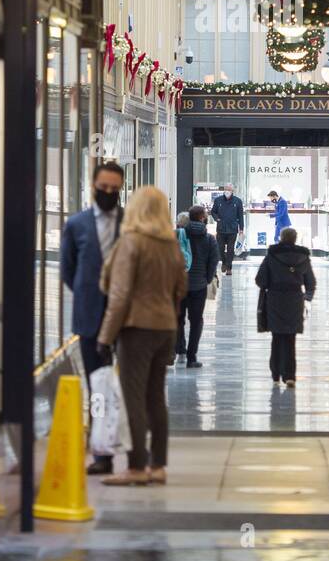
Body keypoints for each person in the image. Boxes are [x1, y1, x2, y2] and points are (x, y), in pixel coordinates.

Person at [96, 186, 187, 486]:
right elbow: (180, 289)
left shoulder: (131, 242)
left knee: (133, 398)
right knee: (155, 398)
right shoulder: (170, 245)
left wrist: (105, 337)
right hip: (165, 328)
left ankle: (136, 466)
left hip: (136, 329)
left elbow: (120, 295)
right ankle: (158, 465)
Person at [60, 159, 124, 474]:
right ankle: (101, 453)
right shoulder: (77, 225)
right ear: (93, 187)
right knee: (96, 384)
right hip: (89, 317)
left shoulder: (130, 223)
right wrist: (91, 294)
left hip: (127, 318)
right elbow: (68, 271)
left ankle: (126, 445)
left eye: (114, 189)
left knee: (125, 385)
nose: (108, 193)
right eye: (103, 188)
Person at [255, 226, 316, 387]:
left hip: (275, 298)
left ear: (281, 238)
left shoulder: (272, 255)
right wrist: (307, 297)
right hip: (295, 299)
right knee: (290, 338)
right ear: (295, 239)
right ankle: (290, 375)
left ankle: (275, 374)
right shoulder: (303, 257)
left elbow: (260, 279)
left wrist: (270, 284)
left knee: (277, 337)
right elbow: (311, 282)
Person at [175, 204, 218, 368]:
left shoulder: (178, 235)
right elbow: (214, 261)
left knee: (177, 318)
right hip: (198, 285)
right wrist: (206, 279)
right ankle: (192, 357)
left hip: (178, 285)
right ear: (202, 218)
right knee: (196, 321)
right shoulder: (209, 239)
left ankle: (180, 350)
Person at [210, 182, 244, 276]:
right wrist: (217, 219)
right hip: (221, 229)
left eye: (229, 189)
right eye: (226, 189)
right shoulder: (218, 200)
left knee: (230, 249)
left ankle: (229, 267)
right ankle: (224, 262)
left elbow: (240, 216)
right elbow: (213, 212)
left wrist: (241, 228)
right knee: (220, 248)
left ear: (232, 191)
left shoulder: (238, 201)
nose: (227, 191)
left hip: (232, 229)